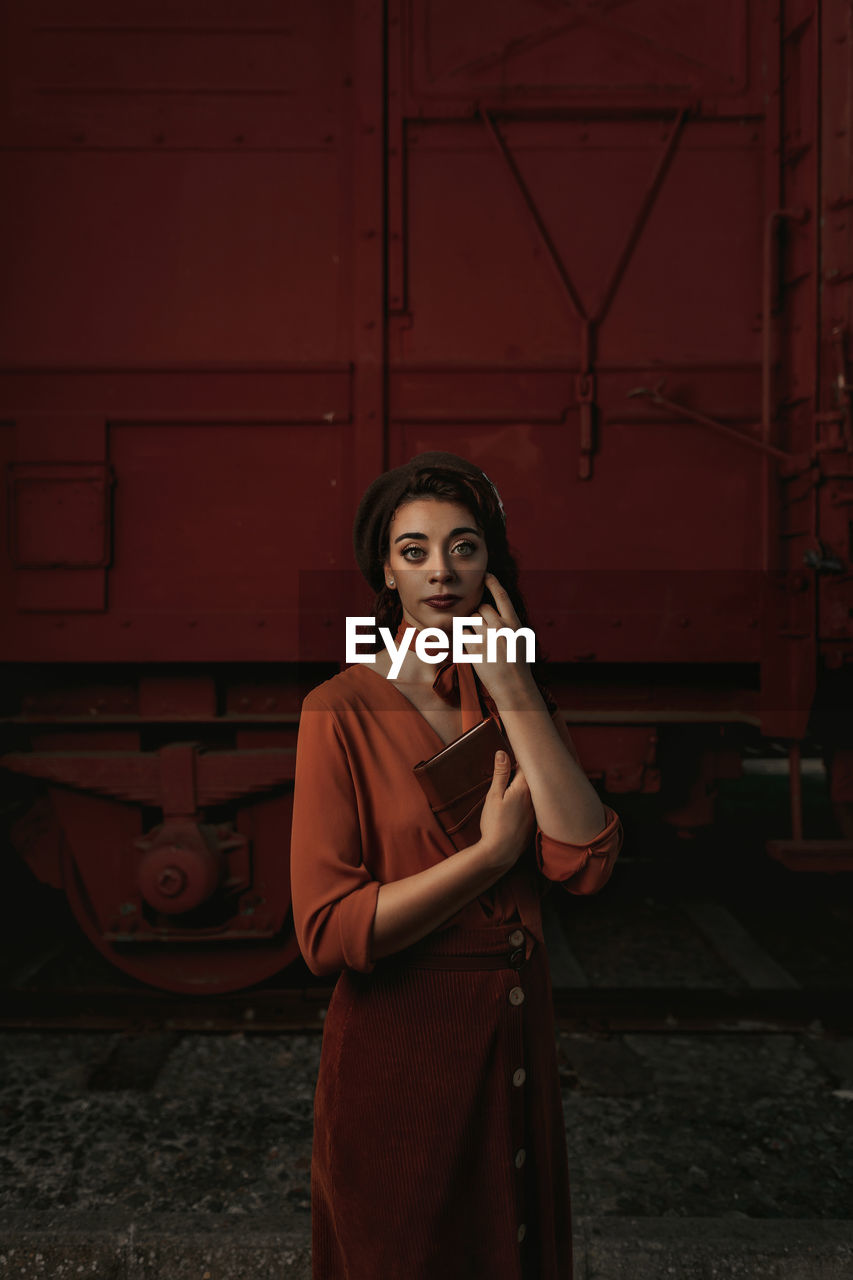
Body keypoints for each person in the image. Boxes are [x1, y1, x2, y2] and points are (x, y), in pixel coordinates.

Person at [289, 451, 623, 1280]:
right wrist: (488, 861)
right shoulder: (337, 708)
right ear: (384, 571)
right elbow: (327, 934)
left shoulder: (511, 695)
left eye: (464, 547)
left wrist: (511, 685)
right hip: (399, 1048)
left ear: (491, 567)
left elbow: (585, 861)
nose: (441, 571)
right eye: (414, 551)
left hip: (512, 1030)